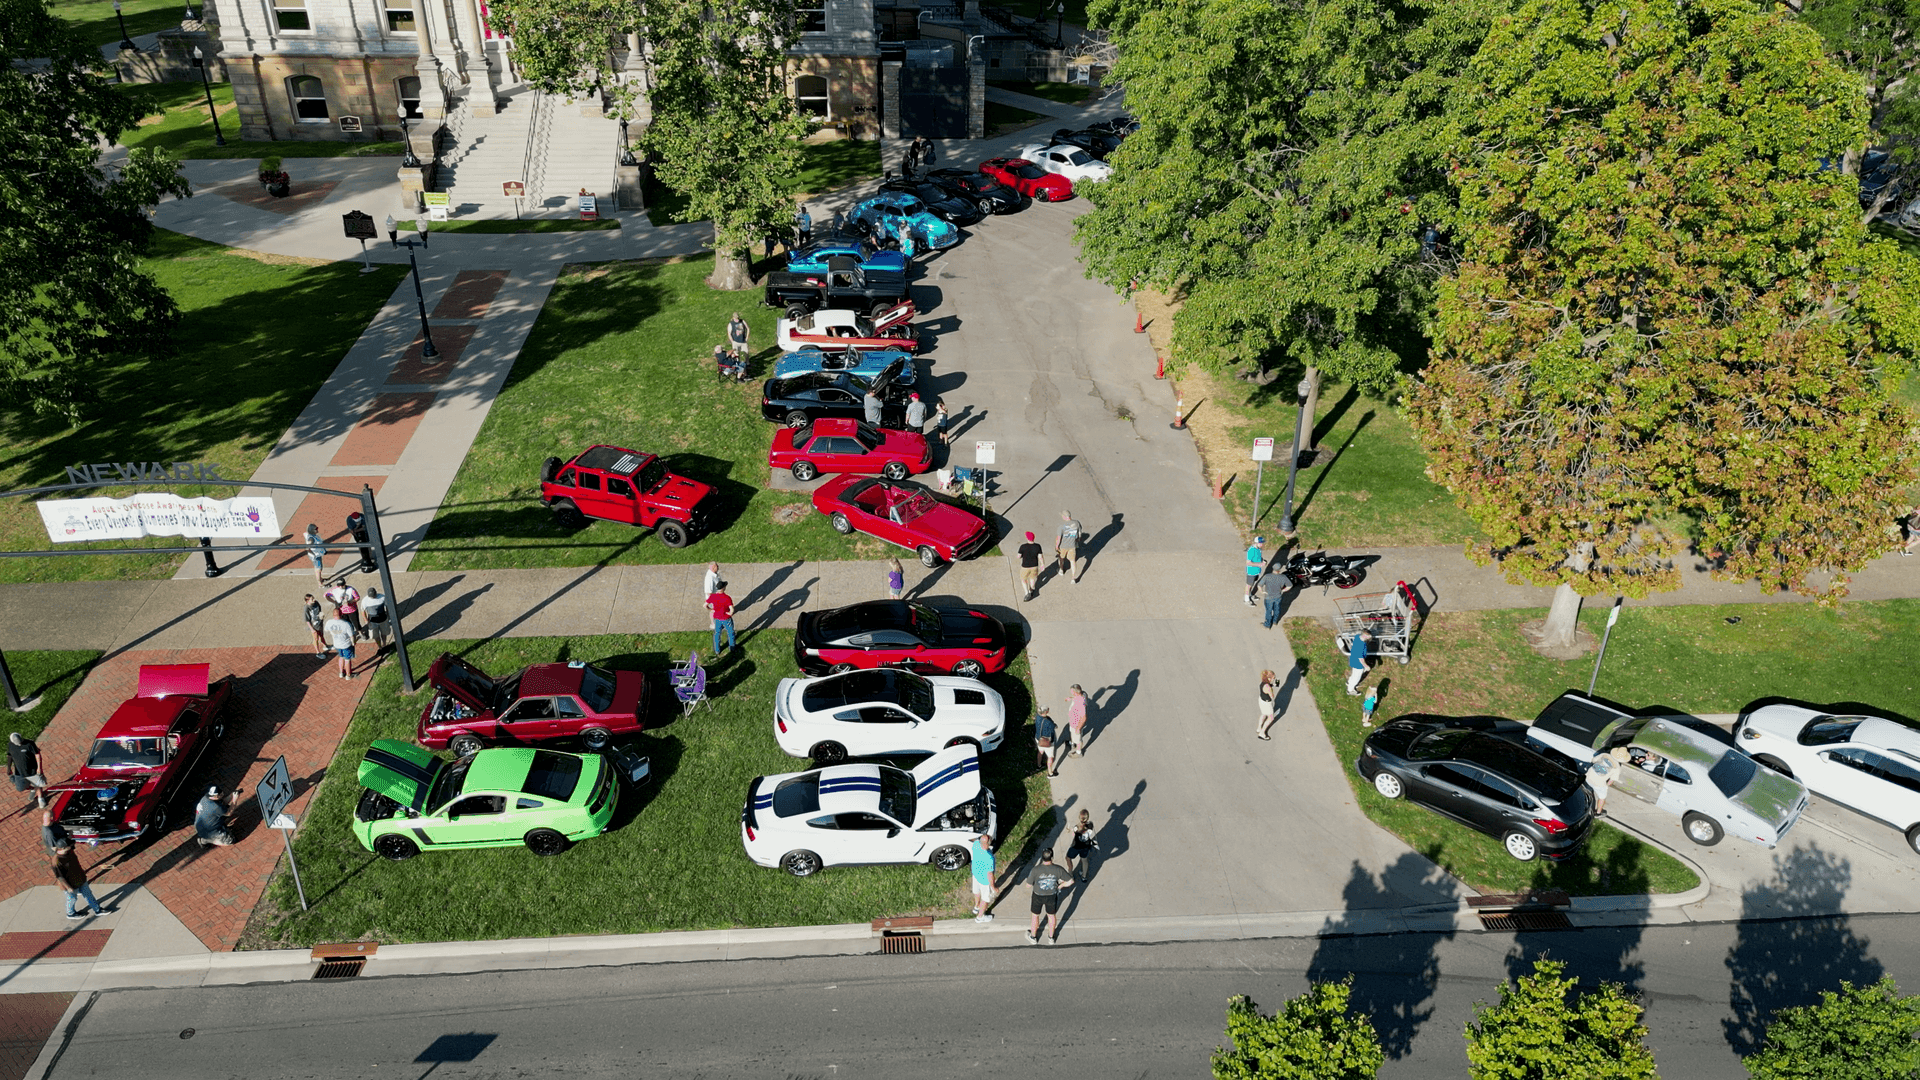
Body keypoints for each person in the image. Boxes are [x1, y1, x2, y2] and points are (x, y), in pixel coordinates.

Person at [1024, 849, 1074, 945]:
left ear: (1042, 858)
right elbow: (1071, 881)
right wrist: (1060, 885)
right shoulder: (1058, 869)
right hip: (1052, 896)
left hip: (1037, 896)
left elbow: (1028, 885)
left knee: (1035, 916)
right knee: (1051, 916)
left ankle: (1033, 937)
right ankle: (1051, 938)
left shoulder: (1035, 870)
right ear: (1052, 858)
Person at [50, 839, 105, 921]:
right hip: (70, 884)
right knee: (72, 898)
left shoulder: (70, 852)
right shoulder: (56, 861)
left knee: (88, 894)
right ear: (62, 848)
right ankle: (70, 913)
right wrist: (68, 887)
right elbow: (60, 877)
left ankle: (97, 910)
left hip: (80, 879)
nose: (71, 847)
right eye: (69, 846)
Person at [8, 732, 47, 809]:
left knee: (37, 784)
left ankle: (40, 798)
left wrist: (39, 768)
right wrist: (8, 767)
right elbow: (9, 756)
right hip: (19, 772)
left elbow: (37, 755)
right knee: (20, 788)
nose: (19, 744)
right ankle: (33, 789)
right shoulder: (10, 745)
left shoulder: (29, 744)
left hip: (32, 770)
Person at [1589, 748, 1625, 816]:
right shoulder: (1617, 768)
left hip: (1588, 776)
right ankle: (1598, 812)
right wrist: (1606, 784)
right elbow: (1610, 782)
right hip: (1598, 783)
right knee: (1602, 797)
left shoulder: (1604, 755)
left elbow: (1593, 760)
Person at [324, 605, 357, 680]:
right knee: (347, 659)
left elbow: (326, 630)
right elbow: (351, 635)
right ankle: (348, 675)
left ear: (333, 615)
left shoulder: (329, 622)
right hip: (346, 644)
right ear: (341, 614)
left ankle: (341, 673)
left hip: (337, 644)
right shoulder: (346, 624)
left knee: (341, 657)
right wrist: (353, 643)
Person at [969, 832, 996, 922]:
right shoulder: (989, 857)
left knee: (976, 891)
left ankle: (976, 906)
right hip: (984, 880)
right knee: (985, 898)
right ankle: (980, 917)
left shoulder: (976, 845)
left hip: (975, 874)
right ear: (989, 843)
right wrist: (993, 887)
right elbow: (990, 874)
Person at [707, 580, 735, 655]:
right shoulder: (727, 598)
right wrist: (730, 613)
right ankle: (732, 648)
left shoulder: (713, 596)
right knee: (730, 633)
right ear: (723, 588)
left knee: (717, 634)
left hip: (717, 619)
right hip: (726, 618)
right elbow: (732, 609)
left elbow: (704, 605)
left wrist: (711, 610)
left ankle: (717, 650)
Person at [1066, 809, 1097, 876]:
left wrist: (1070, 830)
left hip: (1075, 846)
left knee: (1068, 858)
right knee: (1084, 860)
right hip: (1085, 847)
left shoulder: (1076, 828)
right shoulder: (1090, 825)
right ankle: (1084, 876)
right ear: (1087, 817)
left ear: (1079, 817)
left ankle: (1070, 873)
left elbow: (1073, 834)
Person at [1056, 511, 1084, 585]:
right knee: (1072, 561)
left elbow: (1059, 538)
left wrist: (1056, 546)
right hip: (1072, 546)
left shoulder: (1062, 526)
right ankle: (1073, 578)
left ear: (1065, 516)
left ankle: (1061, 570)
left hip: (1063, 546)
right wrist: (1078, 540)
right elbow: (1079, 534)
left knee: (1061, 558)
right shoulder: (1077, 523)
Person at [1257, 561, 1287, 629]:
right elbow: (1289, 585)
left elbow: (1259, 585)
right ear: (1279, 569)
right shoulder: (1283, 577)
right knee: (1277, 609)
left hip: (1268, 597)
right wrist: (1283, 590)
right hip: (1278, 597)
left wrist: (1262, 592)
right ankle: (1275, 621)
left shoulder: (1267, 576)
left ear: (1273, 568)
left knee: (1269, 611)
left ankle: (1267, 624)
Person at [1034, 707, 1063, 776]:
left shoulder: (1037, 716)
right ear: (1045, 712)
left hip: (1038, 739)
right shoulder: (1048, 722)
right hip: (1047, 742)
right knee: (1050, 757)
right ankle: (1050, 773)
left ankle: (1039, 765)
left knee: (1040, 752)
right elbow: (1053, 728)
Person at [362, 587, 392, 652]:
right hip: (372, 622)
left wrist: (388, 615)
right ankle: (380, 647)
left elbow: (387, 606)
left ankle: (384, 645)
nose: (373, 597)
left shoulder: (382, 597)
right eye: (371, 596)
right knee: (375, 635)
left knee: (384, 633)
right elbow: (363, 611)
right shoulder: (365, 600)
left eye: (373, 595)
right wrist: (365, 620)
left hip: (383, 619)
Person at [1017, 531, 1044, 600]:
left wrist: (1021, 555)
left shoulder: (1023, 546)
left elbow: (1019, 556)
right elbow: (1040, 557)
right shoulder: (1038, 546)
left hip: (1025, 567)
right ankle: (1031, 590)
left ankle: (1026, 593)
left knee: (1024, 579)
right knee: (1032, 578)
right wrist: (1042, 564)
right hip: (1034, 566)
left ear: (1027, 538)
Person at [1346, 630, 1372, 695]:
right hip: (1358, 664)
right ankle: (1350, 690)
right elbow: (1361, 659)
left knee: (1354, 674)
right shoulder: (1361, 645)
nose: (1369, 638)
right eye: (1368, 636)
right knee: (1356, 677)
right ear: (1364, 636)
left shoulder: (1357, 637)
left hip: (1353, 659)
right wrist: (1366, 666)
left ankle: (1349, 682)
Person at [1256, 669, 1279, 741]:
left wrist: (1273, 684)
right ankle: (1262, 733)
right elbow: (1272, 696)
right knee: (1270, 718)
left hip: (1261, 700)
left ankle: (1259, 728)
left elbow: (1267, 686)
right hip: (1267, 703)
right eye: (1273, 678)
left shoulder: (1263, 682)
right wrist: (1272, 690)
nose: (1274, 679)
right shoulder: (1268, 688)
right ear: (1269, 678)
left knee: (1263, 714)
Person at [1065, 684, 1088, 757]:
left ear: (1076, 692)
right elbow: (1076, 697)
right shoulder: (1083, 694)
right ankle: (1072, 743)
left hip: (1076, 724)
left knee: (1078, 739)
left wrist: (1078, 728)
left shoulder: (1081, 704)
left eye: (1072, 692)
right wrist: (1071, 698)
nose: (1071, 693)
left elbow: (1084, 718)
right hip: (1073, 721)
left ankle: (1079, 752)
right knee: (1072, 734)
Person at [301, 593, 327, 657]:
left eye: (313, 598)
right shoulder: (306, 608)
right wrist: (312, 629)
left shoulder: (316, 603)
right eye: (312, 599)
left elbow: (319, 610)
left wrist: (321, 616)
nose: (314, 600)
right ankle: (318, 652)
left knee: (321, 635)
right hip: (314, 625)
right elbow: (307, 620)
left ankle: (325, 645)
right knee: (316, 639)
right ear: (307, 601)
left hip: (319, 622)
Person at [1244, 536, 1265, 605]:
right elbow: (1248, 563)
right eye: (1261, 543)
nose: (1262, 544)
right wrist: (1260, 564)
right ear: (1257, 543)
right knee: (1248, 585)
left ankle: (1250, 595)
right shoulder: (1251, 550)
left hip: (1256, 571)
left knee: (1252, 584)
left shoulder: (1258, 549)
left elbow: (1258, 557)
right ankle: (1246, 599)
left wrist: (1262, 560)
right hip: (1251, 572)